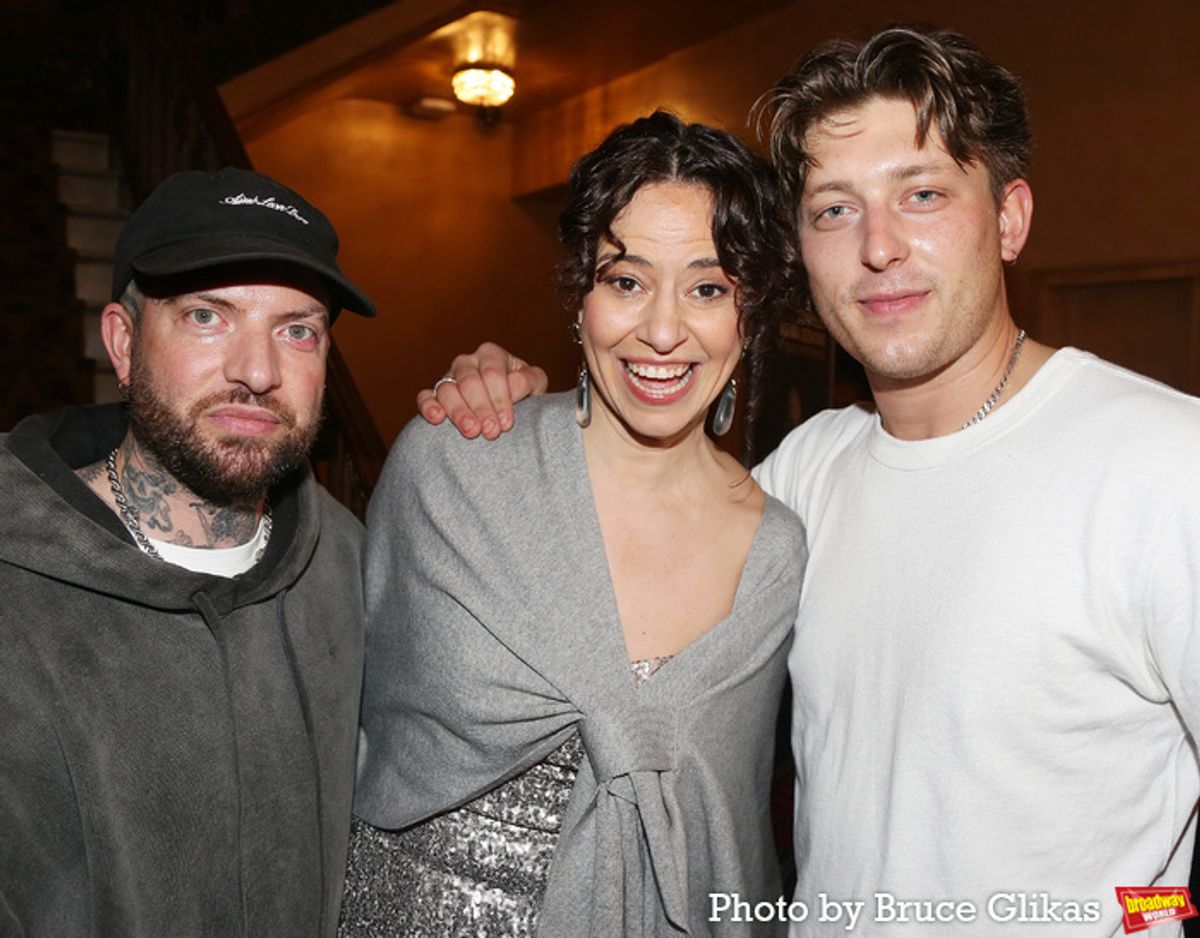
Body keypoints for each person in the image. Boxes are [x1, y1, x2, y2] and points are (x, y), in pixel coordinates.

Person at [419, 25, 1200, 937]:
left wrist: (1144, 914)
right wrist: (515, 405)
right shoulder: (803, 476)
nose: (879, 246)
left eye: (922, 194)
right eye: (834, 209)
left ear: (1010, 219)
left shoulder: (1164, 464)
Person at [340, 111, 806, 937]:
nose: (662, 331)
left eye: (708, 287)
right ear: (579, 295)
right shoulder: (454, 467)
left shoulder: (773, 554)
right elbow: (348, 717)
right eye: (626, 281)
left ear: (753, 311)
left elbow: (732, 829)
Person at [0, 167, 375, 937]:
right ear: (124, 343)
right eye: (208, 316)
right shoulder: (15, 584)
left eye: (297, 329)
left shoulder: (354, 570)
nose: (259, 371)